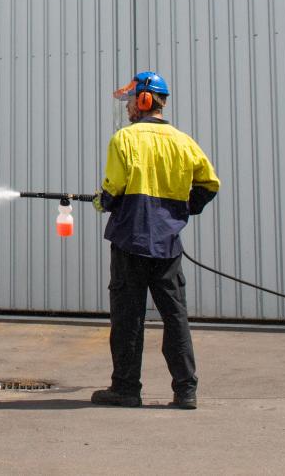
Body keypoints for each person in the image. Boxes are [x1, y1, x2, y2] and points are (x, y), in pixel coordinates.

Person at [89, 71, 220, 410]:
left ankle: (126, 389)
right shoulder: (183, 141)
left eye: (131, 100)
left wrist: (101, 201)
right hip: (167, 244)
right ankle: (186, 390)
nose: (128, 107)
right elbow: (210, 184)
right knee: (175, 315)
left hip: (130, 241)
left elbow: (114, 189)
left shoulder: (124, 139)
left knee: (128, 317)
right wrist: (182, 211)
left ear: (145, 100)